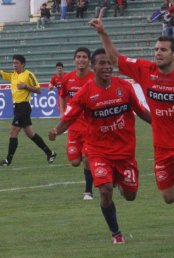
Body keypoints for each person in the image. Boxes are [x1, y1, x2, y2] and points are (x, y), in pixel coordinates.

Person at [89, 10, 174, 247]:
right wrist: (103, 33)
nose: (157, 53)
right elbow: (117, 58)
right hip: (162, 148)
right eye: (156, 49)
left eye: (163, 50)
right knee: (169, 198)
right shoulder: (145, 70)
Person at [49, 48, 151, 243]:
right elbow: (69, 117)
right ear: (93, 67)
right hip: (99, 152)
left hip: (125, 153)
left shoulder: (124, 87)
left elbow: (141, 110)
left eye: (109, 63)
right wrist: (56, 130)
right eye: (102, 63)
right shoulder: (85, 93)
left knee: (130, 196)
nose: (107, 67)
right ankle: (116, 234)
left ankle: (121, 182)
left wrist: (160, 125)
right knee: (105, 190)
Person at [0, 55, 56, 167]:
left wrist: (26, 86)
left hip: (24, 107)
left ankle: (8, 160)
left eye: (17, 63)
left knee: (13, 132)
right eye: (13, 63)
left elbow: (39, 90)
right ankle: (50, 153)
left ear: (23, 64)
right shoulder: (12, 75)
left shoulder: (28, 75)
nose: (14, 65)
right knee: (30, 134)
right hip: (17, 107)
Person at [59, 47, 94, 200]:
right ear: (74, 60)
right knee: (75, 162)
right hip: (73, 128)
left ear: (89, 61)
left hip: (90, 128)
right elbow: (62, 96)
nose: (81, 59)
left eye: (84, 57)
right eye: (78, 56)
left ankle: (88, 191)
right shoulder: (67, 79)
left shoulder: (94, 78)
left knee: (86, 158)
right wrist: (62, 114)